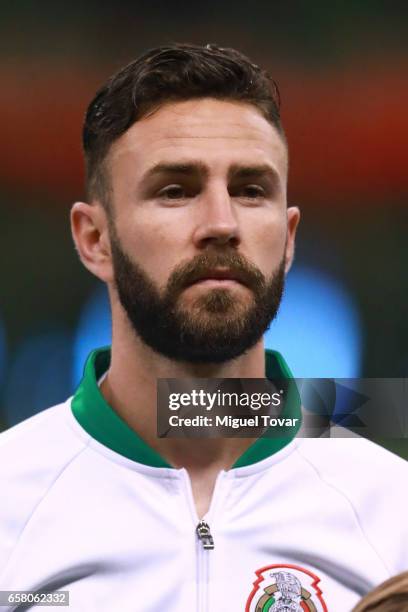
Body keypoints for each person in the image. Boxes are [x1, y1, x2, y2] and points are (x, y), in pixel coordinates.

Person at [0, 43, 407, 612]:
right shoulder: (10, 500)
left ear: (288, 240)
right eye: (176, 190)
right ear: (95, 240)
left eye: (251, 190)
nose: (222, 223)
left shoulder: (394, 513)